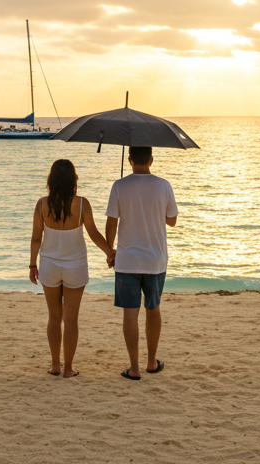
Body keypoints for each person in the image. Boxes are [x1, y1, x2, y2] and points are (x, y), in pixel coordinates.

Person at [29, 159, 114, 378]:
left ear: (51, 180)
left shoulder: (42, 204)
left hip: (49, 265)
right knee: (71, 319)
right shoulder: (82, 204)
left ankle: (55, 365)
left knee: (54, 317)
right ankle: (68, 369)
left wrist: (32, 264)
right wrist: (110, 252)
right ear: (73, 180)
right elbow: (93, 233)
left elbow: (36, 238)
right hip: (75, 266)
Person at [105, 146, 178, 380]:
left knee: (130, 313)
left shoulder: (120, 186)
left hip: (127, 260)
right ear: (151, 160)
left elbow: (111, 223)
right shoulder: (164, 185)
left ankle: (134, 368)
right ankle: (151, 362)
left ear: (130, 160)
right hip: (155, 261)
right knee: (153, 308)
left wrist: (110, 250)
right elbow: (172, 221)